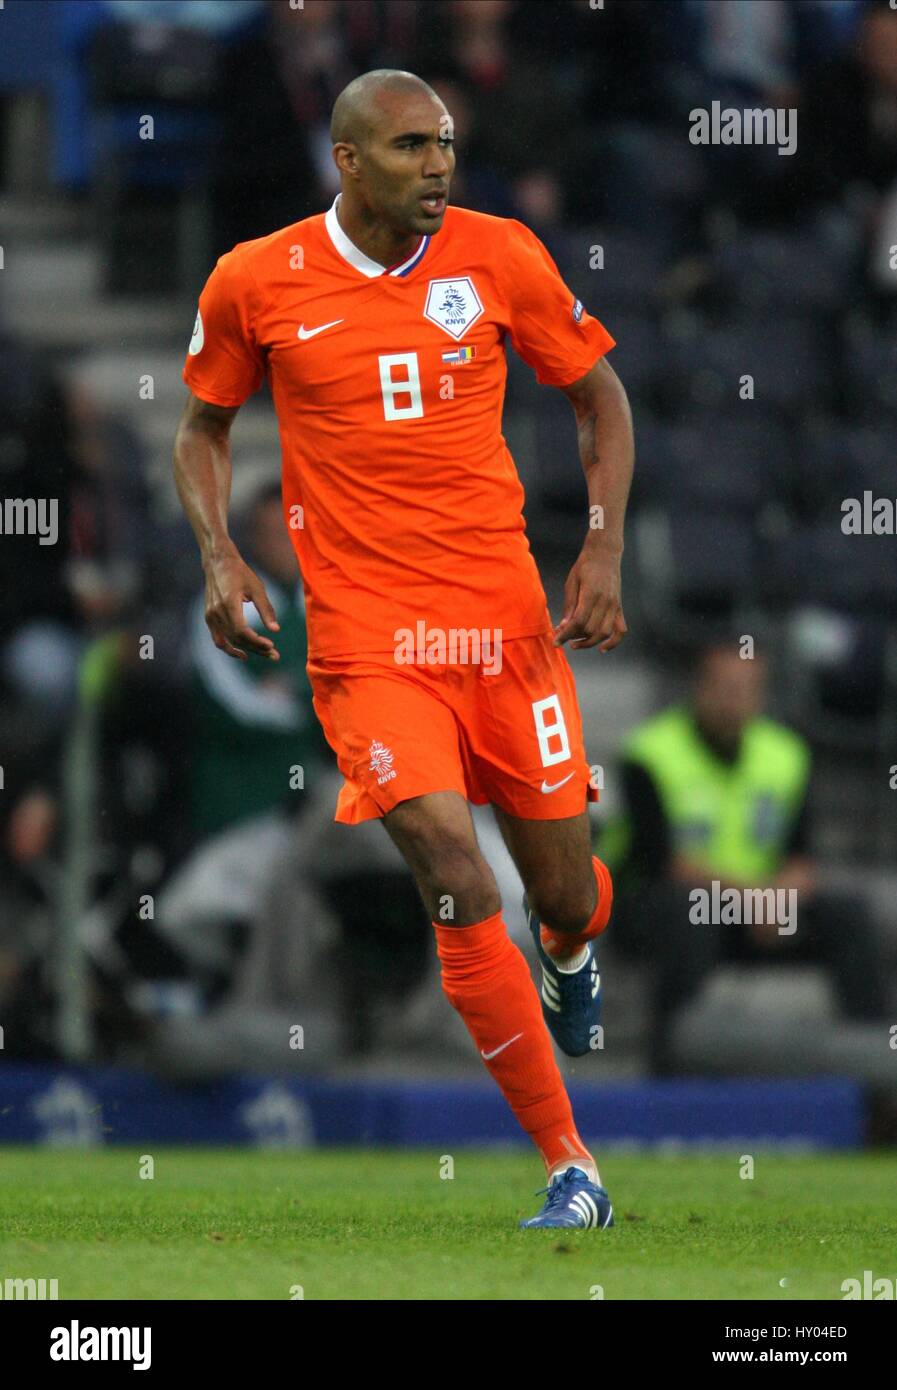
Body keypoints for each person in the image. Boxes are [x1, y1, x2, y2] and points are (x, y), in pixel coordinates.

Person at [173, 69, 634, 1230]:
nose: (439, 165)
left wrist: (604, 549)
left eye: (447, 145)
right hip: (369, 640)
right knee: (451, 867)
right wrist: (221, 558)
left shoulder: (500, 257)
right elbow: (202, 427)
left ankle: (572, 951)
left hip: (505, 626)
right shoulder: (256, 279)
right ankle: (569, 1164)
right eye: (413, 146)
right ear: (348, 160)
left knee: (564, 893)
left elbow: (601, 399)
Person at [602, 641, 890, 1074]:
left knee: (850, 916)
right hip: (661, 906)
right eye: (725, 687)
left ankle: (875, 1077)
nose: (735, 700)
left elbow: (801, 858)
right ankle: (671, 1073)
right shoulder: (649, 754)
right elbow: (662, 862)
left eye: (747, 689)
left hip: (754, 915)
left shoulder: (785, 755)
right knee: (688, 916)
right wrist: (753, 899)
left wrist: (774, 900)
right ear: (700, 688)